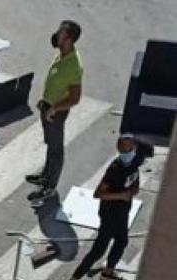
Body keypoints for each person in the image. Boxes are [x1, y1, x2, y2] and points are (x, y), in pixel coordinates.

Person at [70, 135, 153, 280]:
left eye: (132, 148)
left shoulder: (135, 162)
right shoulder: (115, 169)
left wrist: (133, 191)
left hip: (123, 211)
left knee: (121, 241)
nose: (130, 152)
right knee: (99, 249)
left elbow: (134, 183)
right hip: (110, 213)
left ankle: (108, 272)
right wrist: (121, 195)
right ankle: (76, 277)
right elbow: (98, 193)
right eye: (126, 149)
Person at [27, 20, 83, 207]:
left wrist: (54, 108)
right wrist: (45, 101)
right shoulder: (62, 55)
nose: (56, 34)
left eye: (60, 32)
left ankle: (49, 187)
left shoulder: (73, 65)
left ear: (67, 38)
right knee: (51, 144)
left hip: (56, 113)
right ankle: (45, 175)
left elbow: (74, 98)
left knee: (56, 149)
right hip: (48, 107)